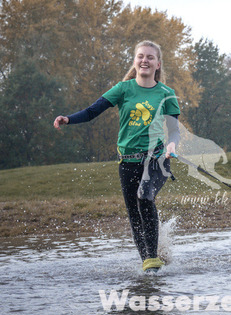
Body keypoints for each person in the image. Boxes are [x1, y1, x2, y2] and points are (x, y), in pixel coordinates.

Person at [54, 40, 180, 273]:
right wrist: (68, 119)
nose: (144, 60)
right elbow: (92, 111)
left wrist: (172, 145)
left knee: (145, 197)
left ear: (158, 64)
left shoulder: (166, 93)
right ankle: (148, 263)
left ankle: (153, 258)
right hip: (128, 161)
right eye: (140, 56)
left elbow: (173, 130)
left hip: (156, 160)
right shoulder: (123, 89)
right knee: (134, 214)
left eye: (150, 57)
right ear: (135, 61)